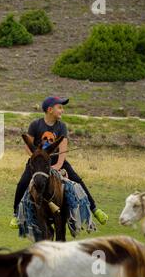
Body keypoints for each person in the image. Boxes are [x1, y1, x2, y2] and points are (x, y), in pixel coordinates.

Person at [10, 96, 108, 229]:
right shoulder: (35, 124)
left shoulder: (61, 127)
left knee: (77, 180)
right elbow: (28, 145)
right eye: (60, 107)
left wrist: (58, 166)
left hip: (57, 160)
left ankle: (94, 209)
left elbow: (63, 149)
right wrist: (36, 158)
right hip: (38, 161)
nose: (62, 110)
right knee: (23, 183)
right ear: (50, 110)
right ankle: (17, 215)